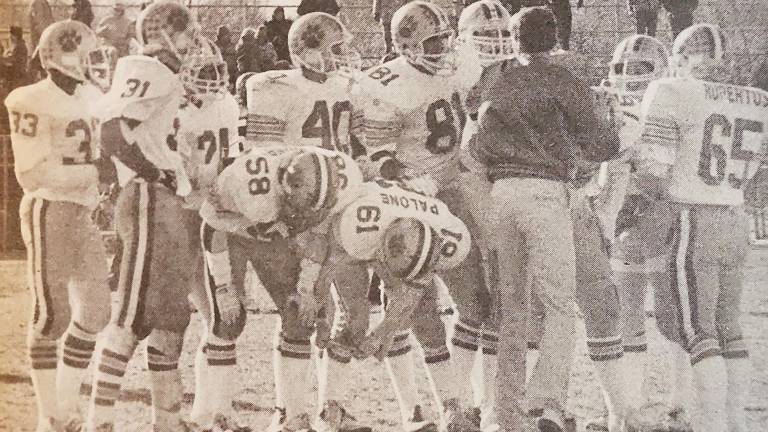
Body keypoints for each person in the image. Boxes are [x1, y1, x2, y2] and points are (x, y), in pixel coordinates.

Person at [468, 6, 613, 431]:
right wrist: (612, 124)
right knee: (558, 304)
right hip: (545, 193)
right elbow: (601, 143)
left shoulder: (494, 77)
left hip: (499, 194)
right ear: (553, 38)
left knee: (512, 308)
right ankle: (547, 405)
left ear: (515, 38)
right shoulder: (563, 79)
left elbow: (474, 139)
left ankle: (507, 412)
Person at [355, 2, 488, 431]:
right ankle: (426, 406)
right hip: (405, 201)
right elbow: (375, 156)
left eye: (444, 38)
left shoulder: (457, 65)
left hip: (450, 191)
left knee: (475, 300)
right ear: (406, 46)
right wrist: (406, 180)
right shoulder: (385, 84)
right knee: (417, 306)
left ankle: (458, 398)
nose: (443, 48)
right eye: (431, 42)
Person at [627, 23, 765, 432]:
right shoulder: (758, 100)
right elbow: (760, 174)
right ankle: (736, 422)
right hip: (736, 219)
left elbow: (653, 168)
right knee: (730, 326)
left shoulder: (672, 92)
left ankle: (711, 425)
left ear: (684, 56)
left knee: (698, 330)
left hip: (691, 216)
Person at [84, 2, 205, 431]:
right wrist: (153, 174)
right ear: (165, 33)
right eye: (186, 33)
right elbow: (111, 131)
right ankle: (98, 421)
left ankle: (167, 422)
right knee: (133, 318)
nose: (192, 44)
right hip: (149, 198)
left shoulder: (162, 74)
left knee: (172, 319)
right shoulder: (146, 67)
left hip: (168, 203)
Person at [199, 146, 368, 432]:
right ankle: (218, 416)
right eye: (296, 209)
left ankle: (291, 417)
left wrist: (305, 288)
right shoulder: (247, 185)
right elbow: (211, 225)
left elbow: (317, 238)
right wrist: (224, 285)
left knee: (299, 319)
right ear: (282, 184)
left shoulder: (343, 183)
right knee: (229, 319)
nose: (300, 217)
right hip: (233, 232)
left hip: (274, 237)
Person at [4, 19, 113, 432]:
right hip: (49, 208)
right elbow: (31, 173)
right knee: (52, 317)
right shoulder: (30, 98)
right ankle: (49, 417)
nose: (93, 63)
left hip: (82, 211)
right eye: (85, 54)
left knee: (98, 311)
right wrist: (93, 173)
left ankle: (67, 406)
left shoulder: (90, 98)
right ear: (62, 58)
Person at [169, 38, 244, 430]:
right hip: (184, 217)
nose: (212, 80)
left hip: (217, 214)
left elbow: (232, 157)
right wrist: (196, 194)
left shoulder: (227, 105)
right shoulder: (175, 112)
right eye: (203, 73)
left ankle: (213, 412)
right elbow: (176, 173)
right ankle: (204, 413)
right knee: (204, 315)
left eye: (215, 71)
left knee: (223, 315)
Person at [2, 26, 28, 91]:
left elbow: (13, 61)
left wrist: (3, 58)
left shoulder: (19, 47)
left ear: (16, 36)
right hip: (17, 76)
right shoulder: (18, 46)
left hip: (17, 77)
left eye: (11, 35)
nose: (10, 37)